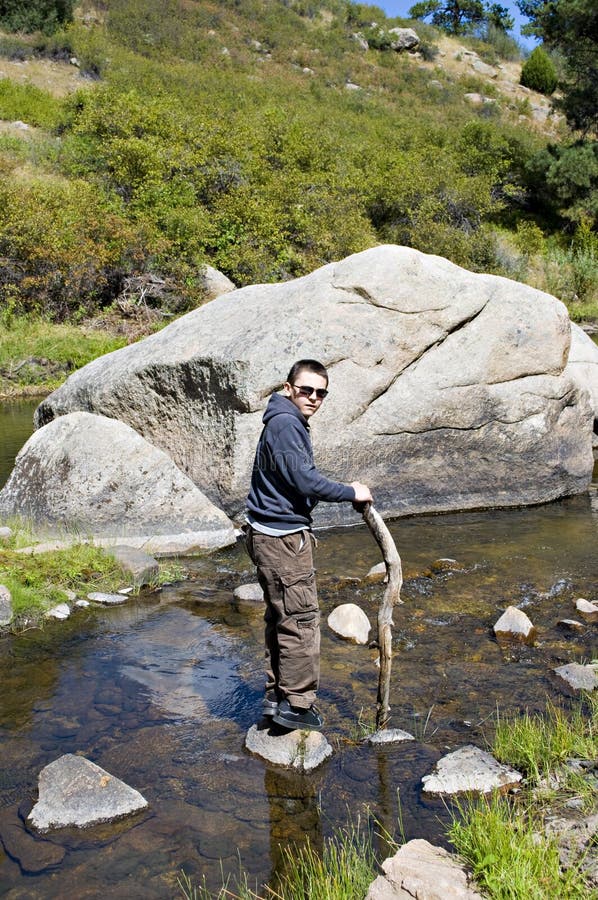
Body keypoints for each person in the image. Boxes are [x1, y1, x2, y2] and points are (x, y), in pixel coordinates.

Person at [245, 359, 373, 731]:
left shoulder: (281, 419)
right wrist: (352, 492)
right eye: (307, 390)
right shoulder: (286, 423)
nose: (314, 398)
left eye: (321, 393)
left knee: (280, 619)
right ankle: (296, 706)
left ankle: (276, 698)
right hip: (282, 539)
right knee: (300, 622)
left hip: (266, 534)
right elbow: (305, 481)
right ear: (289, 388)